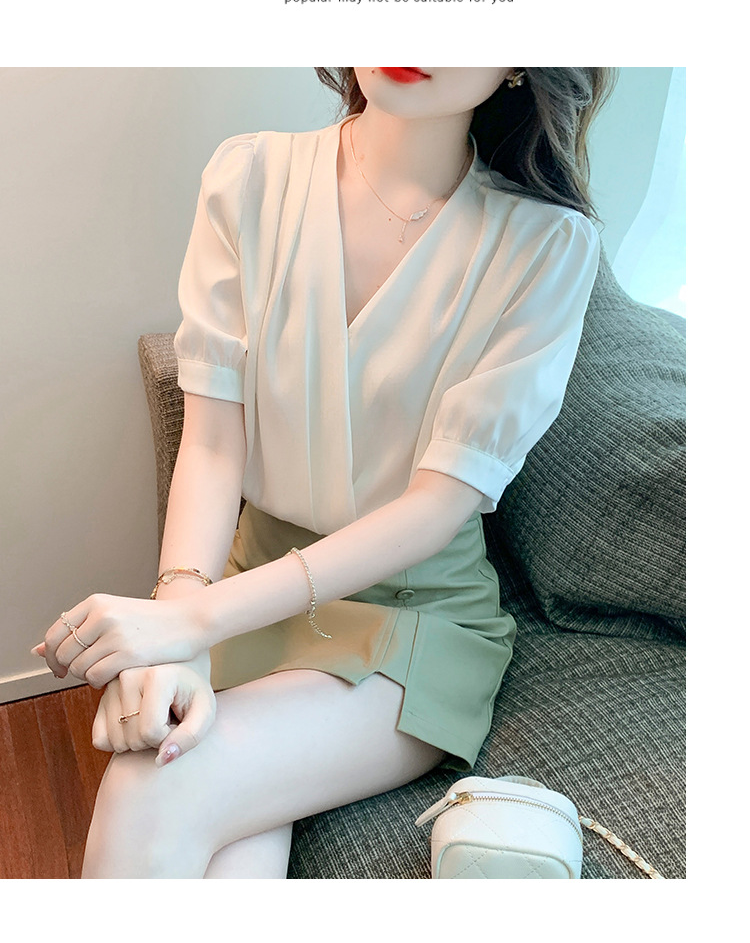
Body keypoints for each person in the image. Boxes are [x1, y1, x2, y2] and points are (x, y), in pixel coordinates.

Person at [33, 66, 615, 878]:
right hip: (244, 589)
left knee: (152, 786)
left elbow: (435, 507)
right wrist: (181, 615)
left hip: (411, 616)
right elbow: (213, 443)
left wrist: (194, 625)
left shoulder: (546, 246)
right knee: (216, 837)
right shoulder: (249, 177)